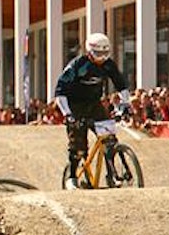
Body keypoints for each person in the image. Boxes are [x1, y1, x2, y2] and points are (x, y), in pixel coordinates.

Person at [54, 32, 131, 189]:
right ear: (89, 51)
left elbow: (121, 84)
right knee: (78, 146)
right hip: (75, 106)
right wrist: (68, 114)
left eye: (105, 53)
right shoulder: (77, 66)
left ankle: (112, 175)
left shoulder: (108, 65)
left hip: (95, 105)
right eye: (98, 54)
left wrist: (125, 105)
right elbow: (60, 91)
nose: (101, 58)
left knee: (109, 140)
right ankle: (72, 176)